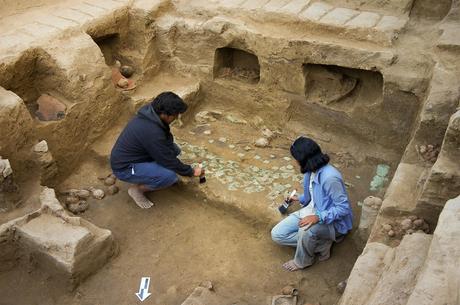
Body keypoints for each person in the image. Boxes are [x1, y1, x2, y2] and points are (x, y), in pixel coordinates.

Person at [271, 137, 353, 271]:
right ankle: (321, 245)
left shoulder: (330, 177)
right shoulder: (310, 171)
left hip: (332, 222)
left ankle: (303, 261)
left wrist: (318, 217)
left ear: (303, 159)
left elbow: (343, 208)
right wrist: (300, 198)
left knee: (305, 231)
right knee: (277, 234)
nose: (294, 161)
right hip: (310, 210)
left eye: (295, 158)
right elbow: (313, 196)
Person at [110, 91, 204, 208]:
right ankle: (137, 190)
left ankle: (149, 171)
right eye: (175, 115)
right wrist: (190, 171)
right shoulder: (152, 132)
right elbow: (166, 158)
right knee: (169, 177)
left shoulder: (151, 113)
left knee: (174, 149)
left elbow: (165, 144)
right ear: (165, 114)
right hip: (126, 168)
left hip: (136, 156)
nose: (176, 118)